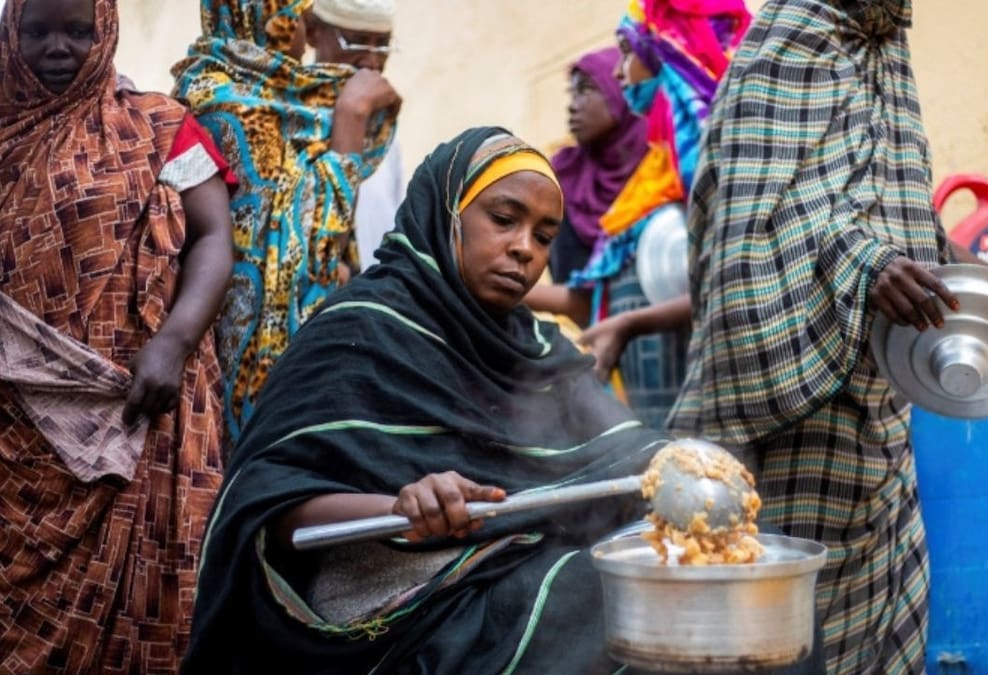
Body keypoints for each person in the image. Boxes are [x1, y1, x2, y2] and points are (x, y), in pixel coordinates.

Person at [669, 1, 988, 673]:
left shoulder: (886, 51)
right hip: (795, 435)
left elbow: (900, 227)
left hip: (883, 434)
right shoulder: (789, 41)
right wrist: (861, 267)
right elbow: (749, 230)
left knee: (890, 641)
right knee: (780, 646)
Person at [179, 128, 677, 674]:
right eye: (504, 219)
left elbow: (625, 449)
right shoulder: (363, 328)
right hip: (399, 605)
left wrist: (689, 464)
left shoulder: (537, 347)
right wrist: (400, 508)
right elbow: (271, 508)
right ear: (447, 215)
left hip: (513, 565)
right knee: (611, 607)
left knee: (692, 573)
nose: (524, 249)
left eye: (543, 236)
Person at [0, 0, 235, 671]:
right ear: (10, 33)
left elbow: (214, 238)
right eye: (37, 30)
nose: (58, 47)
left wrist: (173, 342)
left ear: (107, 32)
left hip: (140, 402)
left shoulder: (158, 127)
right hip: (7, 435)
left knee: (148, 600)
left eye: (78, 30)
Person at [173, 0, 400, 448]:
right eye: (298, 15)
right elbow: (311, 242)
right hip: (238, 349)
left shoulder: (285, 99)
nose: (305, 28)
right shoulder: (227, 104)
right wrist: (351, 120)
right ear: (265, 16)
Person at [526, 0, 751, 430]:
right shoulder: (656, 175)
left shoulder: (711, 159)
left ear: (665, 52)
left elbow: (730, 279)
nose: (617, 73)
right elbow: (601, 294)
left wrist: (630, 323)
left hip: (710, 404)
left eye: (627, 53)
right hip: (651, 408)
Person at [301, 0, 408, 270]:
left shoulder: (383, 134)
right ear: (313, 32)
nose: (372, 61)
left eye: (382, 44)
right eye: (356, 42)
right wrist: (352, 115)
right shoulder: (289, 121)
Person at [547, 46, 647, 288]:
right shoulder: (564, 177)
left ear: (619, 91)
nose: (572, 106)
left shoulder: (665, 166)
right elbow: (567, 281)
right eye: (572, 93)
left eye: (586, 89)